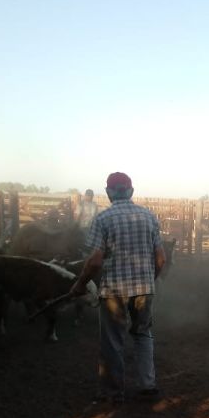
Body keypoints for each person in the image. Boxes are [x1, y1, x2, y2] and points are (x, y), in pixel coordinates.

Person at [70, 171, 166, 404]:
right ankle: (147, 386)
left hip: (114, 291)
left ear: (108, 193)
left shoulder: (103, 219)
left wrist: (80, 284)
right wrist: (149, 281)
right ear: (131, 191)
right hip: (144, 288)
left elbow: (94, 261)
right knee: (143, 335)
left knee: (112, 342)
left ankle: (113, 393)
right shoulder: (149, 216)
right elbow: (161, 257)